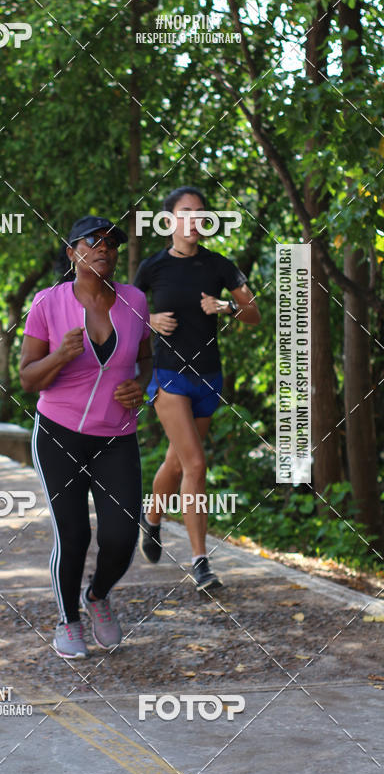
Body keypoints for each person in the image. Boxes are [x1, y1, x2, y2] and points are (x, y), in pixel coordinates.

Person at [20, 216, 152, 658]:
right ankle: (67, 619)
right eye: (92, 242)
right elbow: (27, 378)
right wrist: (60, 355)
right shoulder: (47, 303)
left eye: (112, 243)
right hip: (59, 434)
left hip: (116, 435)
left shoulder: (135, 301)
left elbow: (146, 360)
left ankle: (97, 596)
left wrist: (143, 388)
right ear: (72, 252)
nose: (104, 249)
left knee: (120, 536)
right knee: (73, 535)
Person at [134, 187, 260, 590]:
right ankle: (200, 562)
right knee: (196, 466)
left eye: (200, 213)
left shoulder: (220, 266)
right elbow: (125, 314)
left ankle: (151, 516)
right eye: (185, 212)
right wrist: (149, 320)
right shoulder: (152, 269)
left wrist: (226, 308)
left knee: (176, 464)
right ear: (169, 220)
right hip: (169, 376)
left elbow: (254, 313)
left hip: (209, 378)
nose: (194, 219)